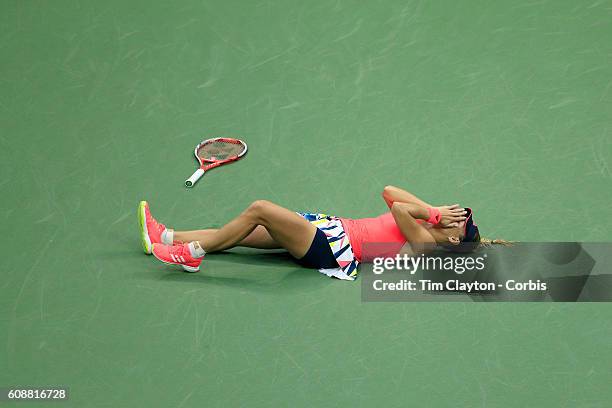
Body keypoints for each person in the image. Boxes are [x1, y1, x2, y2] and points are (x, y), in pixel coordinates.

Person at [138, 185, 486, 280]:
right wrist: (435, 211)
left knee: (260, 208)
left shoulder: (424, 243)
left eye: (459, 222)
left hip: (331, 249)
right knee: (243, 229)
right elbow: (389, 190)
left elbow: (398, 208)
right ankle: (167, 236)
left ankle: (195, 254)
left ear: (454, 239)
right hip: (328, 229)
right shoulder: (427, 225)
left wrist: (433, 212)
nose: (455, 216)